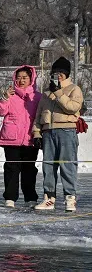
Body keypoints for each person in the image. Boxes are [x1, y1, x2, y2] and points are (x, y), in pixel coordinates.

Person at [32, 57, 83, 212]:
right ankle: (49, 198)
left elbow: (72, 108)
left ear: (67, 74)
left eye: (62, 72)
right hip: (48, 131)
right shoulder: (46, 94)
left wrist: (59, 93)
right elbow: (39, 114)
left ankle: (70, 197)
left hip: (66, 130)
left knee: (67, 164)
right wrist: (36, 133)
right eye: (55, 72)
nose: (58, 75)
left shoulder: (74, 89)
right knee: (48, 166)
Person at [0, 65, 42, 207]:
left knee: (29, 169)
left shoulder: (38, 97)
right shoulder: (10, 94)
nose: (21, 80)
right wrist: (4, 98)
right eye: (19, 77)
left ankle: (30, 197)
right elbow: (0, 112)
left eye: (25, 78)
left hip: (30, 138)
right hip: (11, 138)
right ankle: (10, 197)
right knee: (11, 168)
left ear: (31, 79)